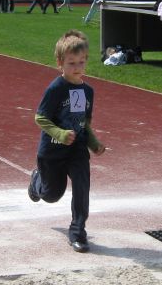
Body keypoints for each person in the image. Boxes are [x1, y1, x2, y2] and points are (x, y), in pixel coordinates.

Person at [27, 30, 106, 253]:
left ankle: (78, 232)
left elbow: (82, 123)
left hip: (77, 150)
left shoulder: (86, 91)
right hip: (52, 152)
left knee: (82, 187)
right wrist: (61, 134)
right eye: (71, 63)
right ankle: (37, 181)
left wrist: (93, 142)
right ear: (60, 63)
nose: (77, 67)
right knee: (52, 195)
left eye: (81, 62)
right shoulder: (56, 89)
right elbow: (40, 117)